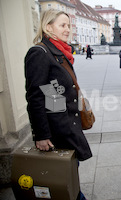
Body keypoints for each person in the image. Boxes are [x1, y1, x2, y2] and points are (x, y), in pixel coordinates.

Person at [24, 9, 92, 200]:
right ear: (48, 27)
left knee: (69, 177)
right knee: (64, 180)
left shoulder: (60, 53)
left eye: (68, 25)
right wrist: (42, 135)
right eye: (63, 25)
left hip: (66, 126)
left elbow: (52, 94)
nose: (68, 29)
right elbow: (35, 98)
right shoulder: (39, 53)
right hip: (56, 133)